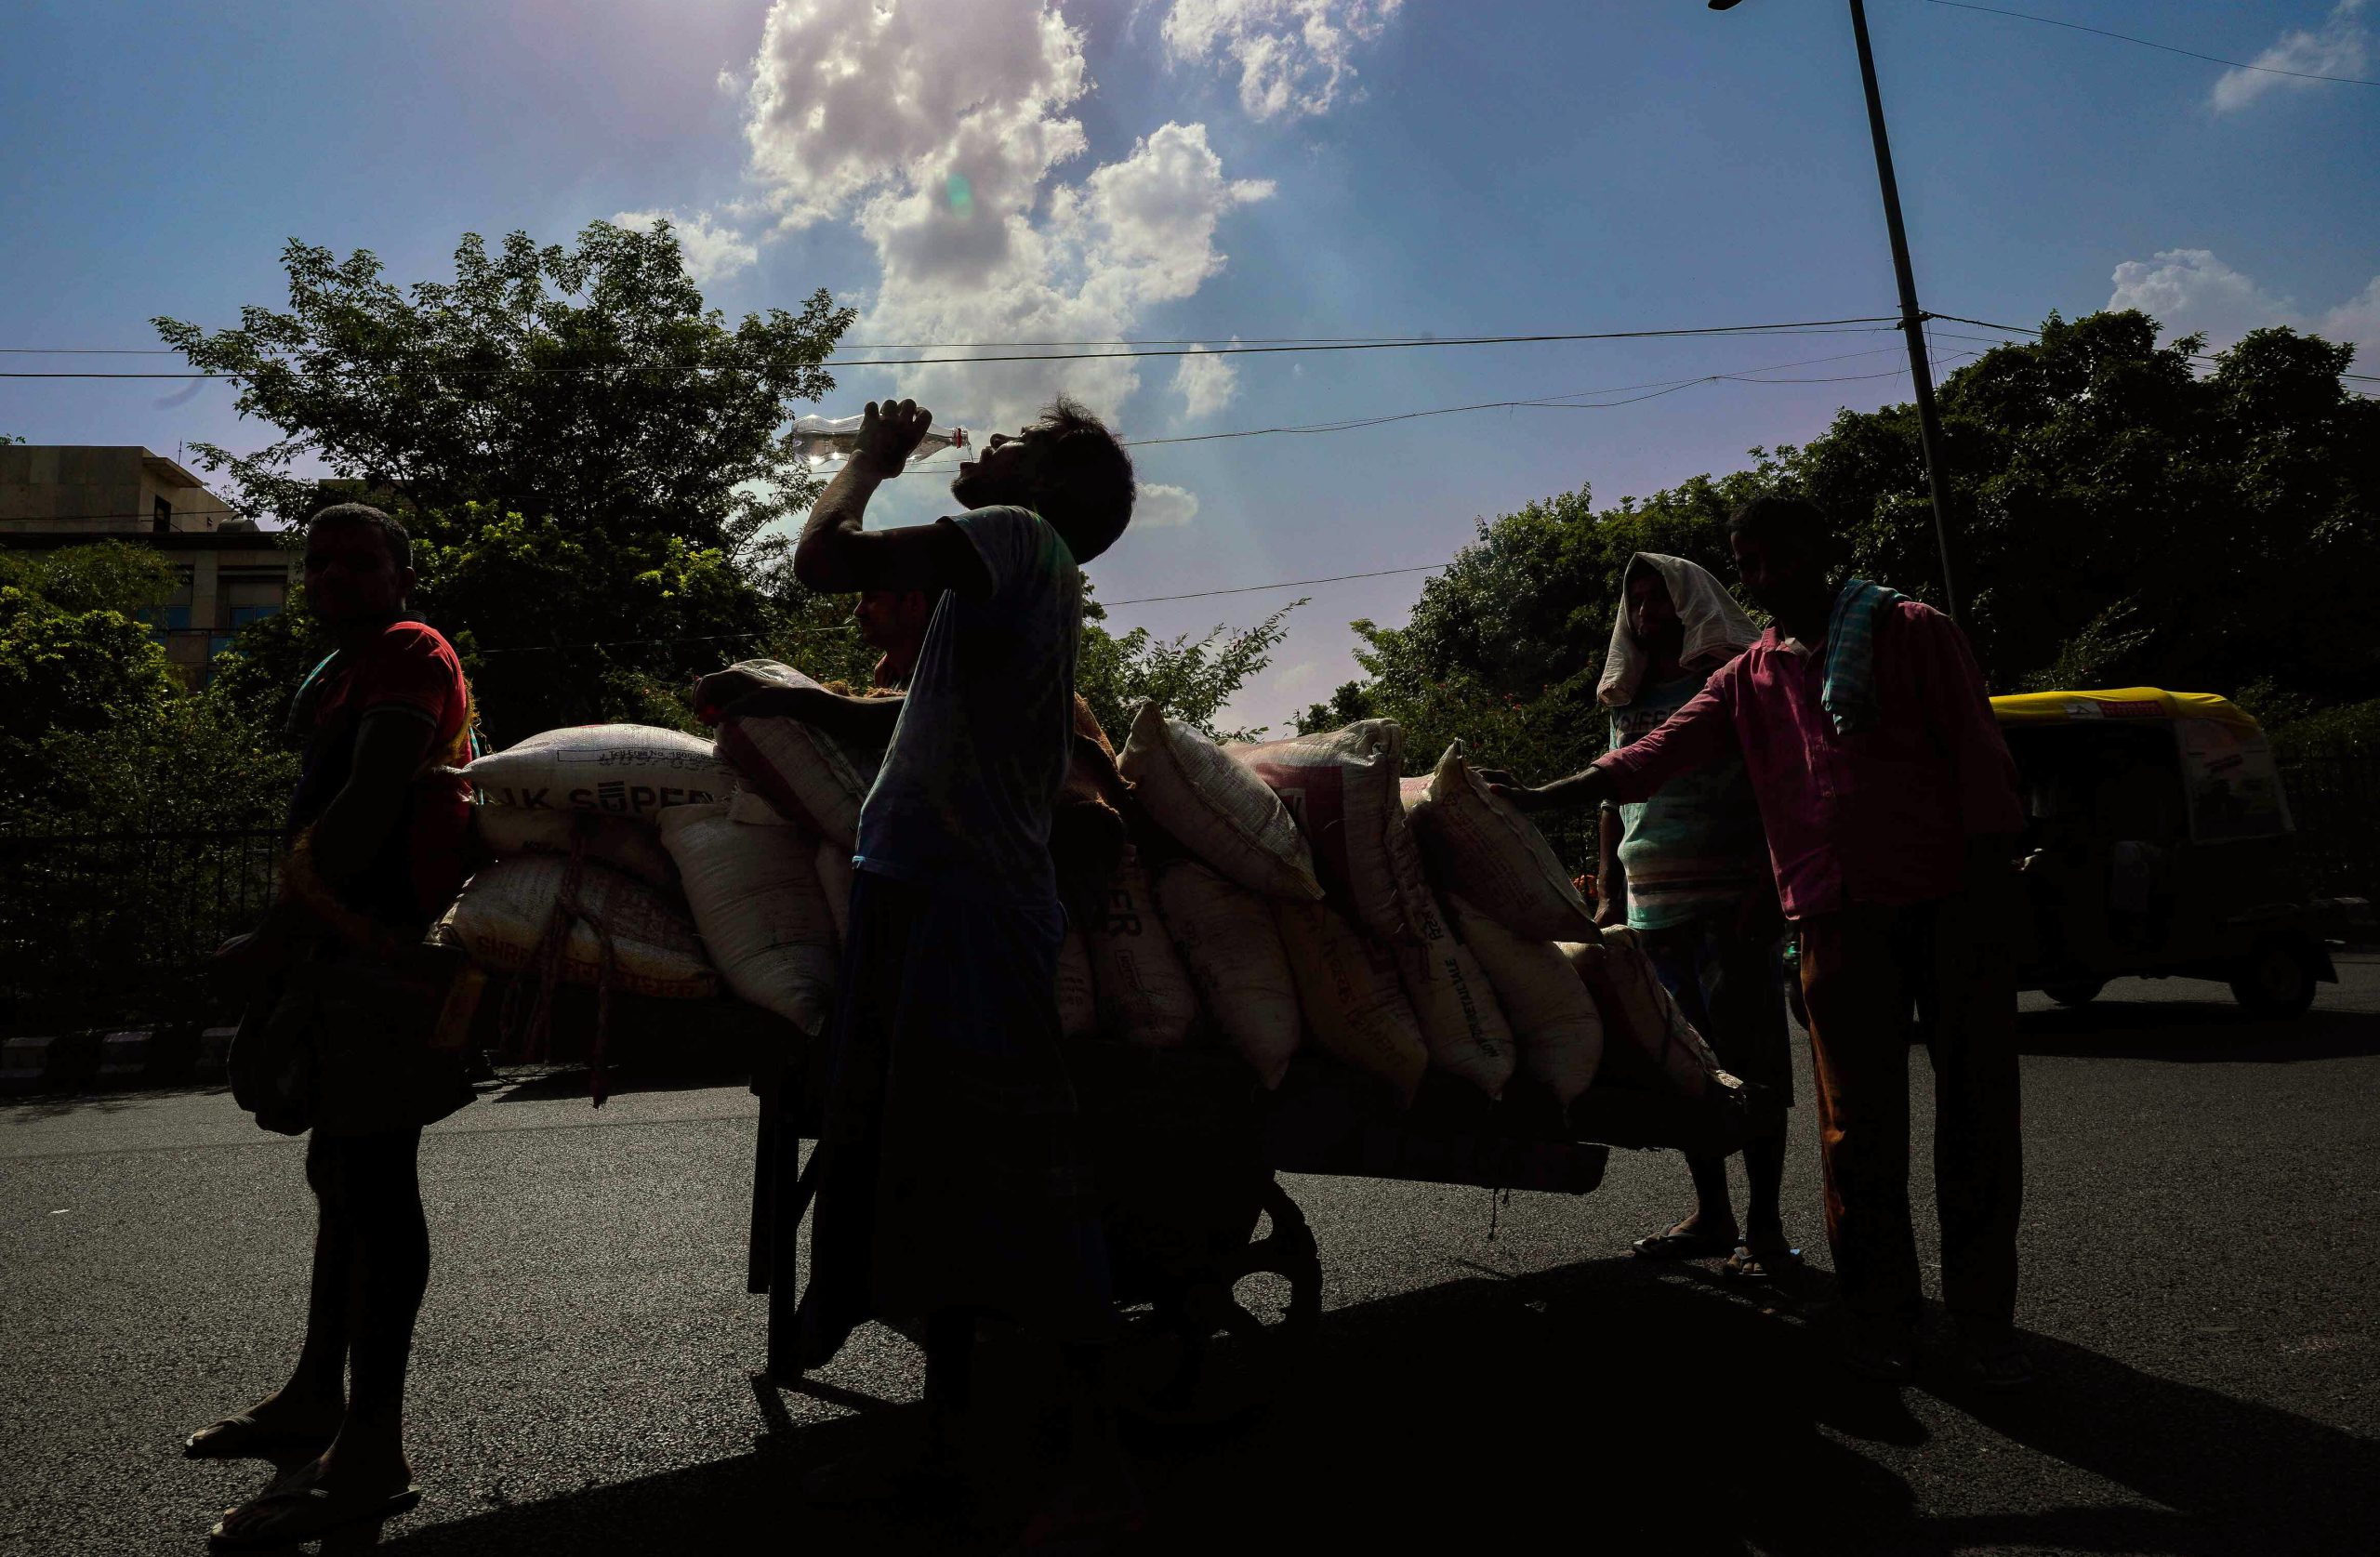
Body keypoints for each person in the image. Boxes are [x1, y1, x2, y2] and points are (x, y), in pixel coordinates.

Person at [1492, 496, 2030, 1389]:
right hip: (1831, 917)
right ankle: (1878, 1312)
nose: (1767, 576)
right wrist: (1544, 793)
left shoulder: (1910, 629)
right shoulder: (1750, 674)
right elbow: (1654, 753)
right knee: (1856, 1127)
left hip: (1952, 904)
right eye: (1751, 562)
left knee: (1974, 1113)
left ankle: (1984, 1324)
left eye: (1782, 556)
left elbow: (1980, 761)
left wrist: (1994, 892)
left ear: (1824, 548)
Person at [779, 396, 1141, 1538]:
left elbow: (819, 557)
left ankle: (1099, 1468)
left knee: (1017, 1184)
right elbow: (927, 729)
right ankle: (943, 1445)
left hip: (969, 910)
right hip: (926, 896)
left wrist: (871, 458)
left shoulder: (1014, 540)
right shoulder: (1009, 577)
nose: (983, 451)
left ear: (1050, 488)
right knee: (926, 1181)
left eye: (1015, 446)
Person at [192, 505, 481, 1548]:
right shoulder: (346, 666)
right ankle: (317, 1396)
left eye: (360, 560)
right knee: (340, 1178)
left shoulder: (409, 652)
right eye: (318, 561)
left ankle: (374, 1447)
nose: (333, 575)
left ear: (403, 573)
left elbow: (365, 804)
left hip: (387, 953)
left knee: (374, 1181)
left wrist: (272, 939)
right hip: (343, 951)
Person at [1593, 554, 1795, 1280]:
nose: (1648, 612)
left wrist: (1768, 886)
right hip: (1654, 906)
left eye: (1661, 597)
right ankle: (1714, 1213)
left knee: (1755, 1063)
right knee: (1690, 1065)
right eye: (1637, 600)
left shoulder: (1735, 684)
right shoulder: (1629, 696)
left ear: (1691, 603)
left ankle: (1766, 1224)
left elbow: (1780, 782)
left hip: (1726, 898)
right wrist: (1610, 892)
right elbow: (1613, 795)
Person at [853, 587, 934, 691]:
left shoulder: (943, 675)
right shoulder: (886, 674)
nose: (858, 611)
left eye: (872, 598)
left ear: (914, 603)